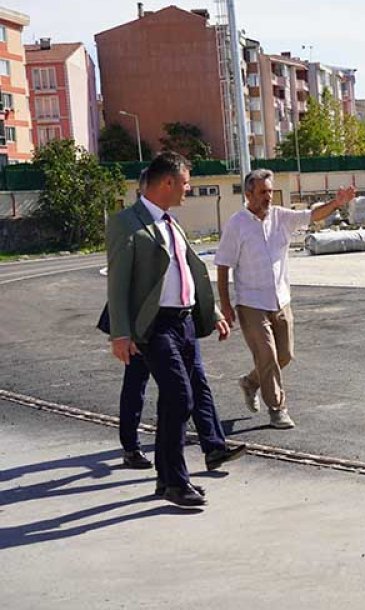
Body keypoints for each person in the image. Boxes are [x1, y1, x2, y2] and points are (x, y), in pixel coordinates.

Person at [106, 151, 240, 507]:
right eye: (185, 183)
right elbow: (117, 284)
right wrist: (120, 333)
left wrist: (210, 313)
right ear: (167, 182)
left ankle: (166, 481)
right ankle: (176, 482)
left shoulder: (171, 222)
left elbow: (187, 273)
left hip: (183, 323)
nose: (188, 189)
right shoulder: (127, 223)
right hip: (154, 325)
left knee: (177, 398)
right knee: (181, 397)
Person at [215, 170, 355, 429]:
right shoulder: (237, 224)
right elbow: (223, 265)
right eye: (262, 192)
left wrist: (336, 203)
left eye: (270, 191)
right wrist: (225, 304)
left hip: (281, 300)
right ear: (248, 195)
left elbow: (312, 216)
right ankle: (278, 409)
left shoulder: (281, 217)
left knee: (285, 355)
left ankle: (250, 382)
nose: (268, 197)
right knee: (267, 355)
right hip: (251, 302)